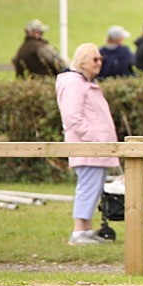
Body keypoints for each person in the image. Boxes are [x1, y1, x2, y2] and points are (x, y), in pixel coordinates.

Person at [55, 43, 119, 245]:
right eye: (95, 59)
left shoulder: (84, 82)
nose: (99, 63)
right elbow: (72, 117)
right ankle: (78, 232)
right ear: (82, 63)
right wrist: (95, 139)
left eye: (100, 59)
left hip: (96, 148)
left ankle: (87, 230)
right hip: (88, 147)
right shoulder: (74, 84)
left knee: (94, 188)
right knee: (87, 188)